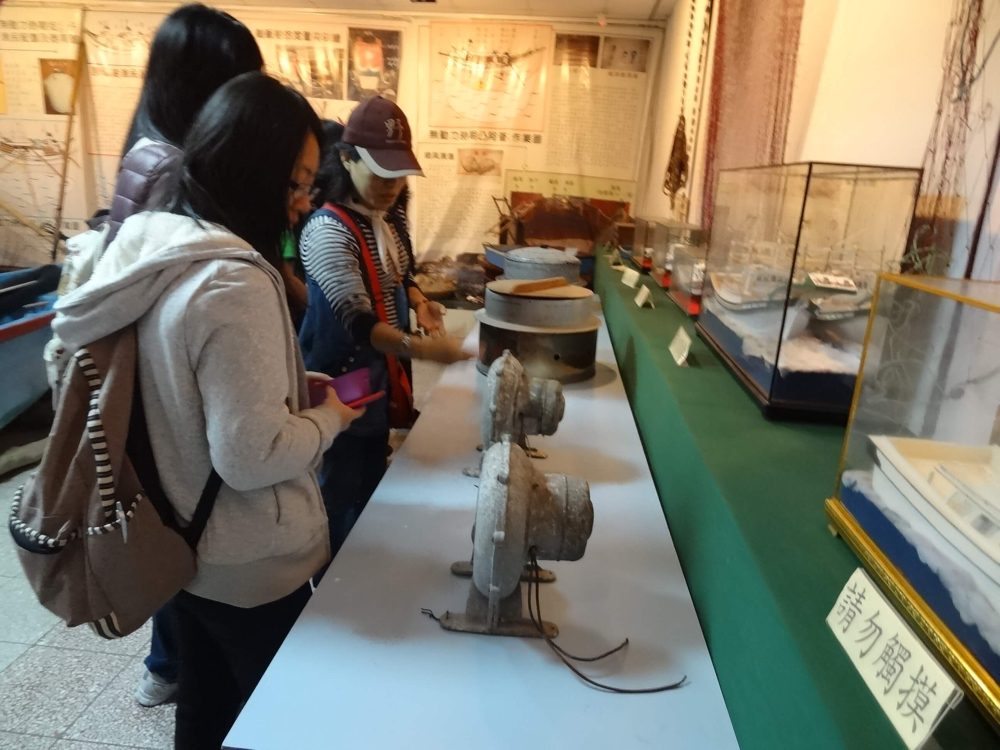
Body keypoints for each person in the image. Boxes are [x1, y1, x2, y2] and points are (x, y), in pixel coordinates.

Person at [52, 72, 360, 748]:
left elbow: (181, 386)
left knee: (205, 708)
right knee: (284, 725)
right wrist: (329, 420)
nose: (303, 204)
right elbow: (250, 457)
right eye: (296, 183)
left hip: (184, 544)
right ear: (250, 170)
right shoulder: (234, 281)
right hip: (251, 560)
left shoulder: (159, 247)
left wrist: (283, 383)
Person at [100, 4, 265, 709]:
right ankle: (172, 662)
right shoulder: (176, 170)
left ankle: (170, 664)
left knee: (175, 524)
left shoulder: (143, 151)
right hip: (169, 387)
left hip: (146, 381)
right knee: (191, 526)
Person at [298, 97, 470, 559]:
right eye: (380, 171)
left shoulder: (382, 221)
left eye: (399, 173)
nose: (392, 185)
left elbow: (398, 274)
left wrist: (421, 303)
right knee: (337, 499)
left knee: (370, 485)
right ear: (347, 159)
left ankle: (360, 565)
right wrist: (425, 349)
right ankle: (330, 582)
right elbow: (359, 323)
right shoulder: (328, 230)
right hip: (338, 385)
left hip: (375, 383)